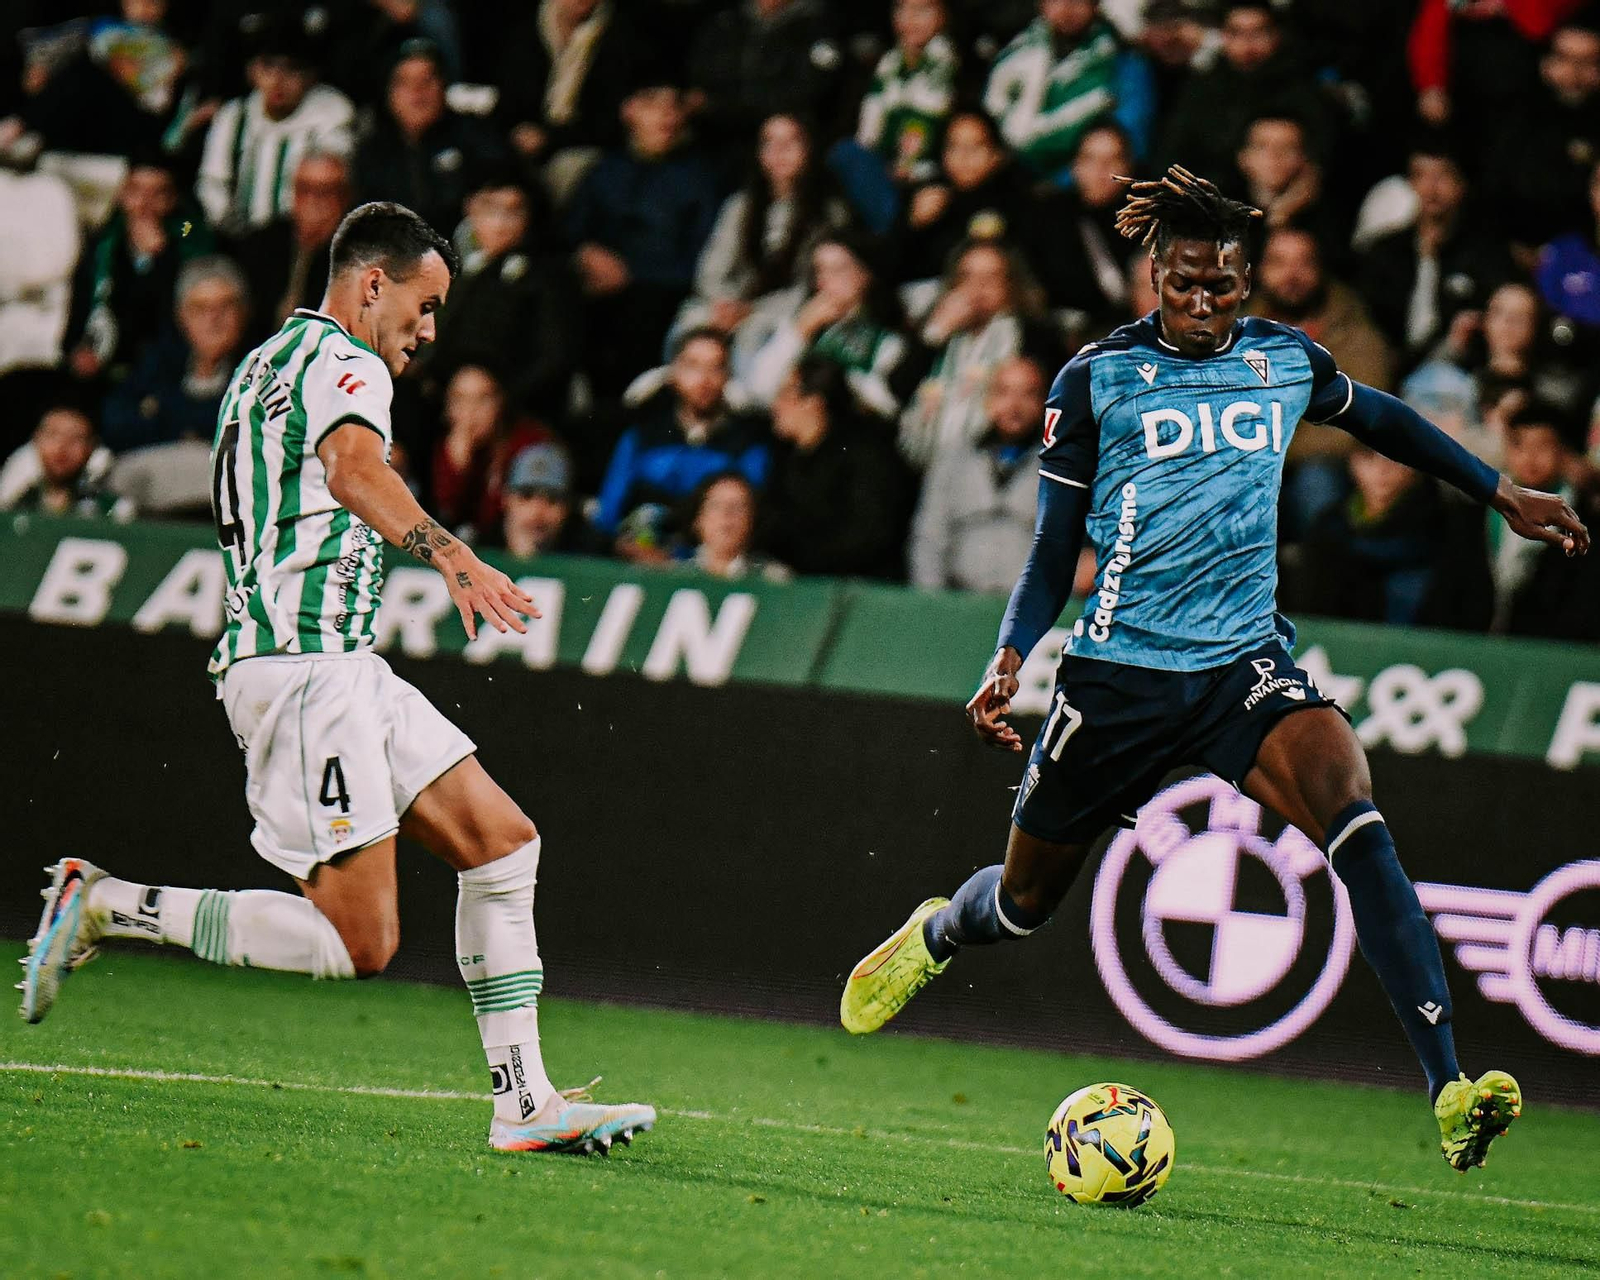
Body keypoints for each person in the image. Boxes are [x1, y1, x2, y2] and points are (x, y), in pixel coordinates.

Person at [841, 165, 1590, 1174]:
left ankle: (1449, 1087)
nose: (1202, 302)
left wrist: (1499, 490)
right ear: (1154, 276)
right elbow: (1054, 542)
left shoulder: (1284, 360)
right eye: (1184, 283)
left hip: (1244, 667)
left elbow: (1383, 419)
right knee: (1021, 905)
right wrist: (1011, 651)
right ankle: (939, 932)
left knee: (1356, 818)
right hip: (1119, 676)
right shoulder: (1095, 379)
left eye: (1222, 285)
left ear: (1247, 281)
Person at [21, 201, 655, 1155]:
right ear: (372, 283)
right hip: (305, 670)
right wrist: (452, 554)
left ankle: (525, 1104)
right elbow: (355, 469)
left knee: (501, 845)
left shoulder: (267, 362)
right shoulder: (347, 362)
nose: (428, 331)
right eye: (424, 305)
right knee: (359, 943)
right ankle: (109, 905)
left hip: (336, 664)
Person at [564, 71, 721, 399]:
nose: (666, 115)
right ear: (630, 111)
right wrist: (584, 252)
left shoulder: (702, 178)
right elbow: (569, 231)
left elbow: (702, 260)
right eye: (653, 105)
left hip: (658, 293)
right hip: (594, 288)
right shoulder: (605, 169)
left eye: (674, 105)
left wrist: (631, 274)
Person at [1425, 401, 1600, 640]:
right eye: (1519, 444)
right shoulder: (1472, 517)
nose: (1530, 457)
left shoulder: (1587, 525)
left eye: (1542, 446)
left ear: (1562, 452)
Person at [592, 327, 771, 553]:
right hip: (637, 560)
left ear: (728, 376)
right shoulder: (642, 436)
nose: (704, 380)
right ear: (674, 372)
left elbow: (747, 523)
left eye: (715, 368)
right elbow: (607, 515)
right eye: (693, 366)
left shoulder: (747, 445)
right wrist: (627, 548)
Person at [684, 113, 853, 339]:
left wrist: (751, 311)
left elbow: (811, 286)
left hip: (785, 314)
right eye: (769, 143)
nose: (779, 152)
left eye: (791, 142)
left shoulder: (831, 214)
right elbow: (712, 269)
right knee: (688, 326)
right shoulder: (741, 205)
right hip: (729, 304)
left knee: (755, 336)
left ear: (810, 148)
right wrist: (726, 303)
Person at [898, 237, 1059, 466]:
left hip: (1004, 461)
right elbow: (898, 388)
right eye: (968, 277)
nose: (978, 287)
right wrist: (935, 333)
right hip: (930, 464)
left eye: (991, 278)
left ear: (1010, 285)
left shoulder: (1035, 336)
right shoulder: (934, 332)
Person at [1358, 137, 1510, 367]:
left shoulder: (1485, 255)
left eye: (1442, 176)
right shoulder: (1384, 253)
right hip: (1389, 369)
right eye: (1420, 176)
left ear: (1462, 185)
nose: (1431, 189)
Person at [65, 153, 214, 384]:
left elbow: (170, 321)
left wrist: (162, 258)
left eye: (157, 194)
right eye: (136, 191)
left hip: (161, 370)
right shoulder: (105, 243)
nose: (144, 204)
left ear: (173, 199)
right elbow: (80, 308)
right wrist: (77, 350)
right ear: (123, 195)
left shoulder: (189, 237)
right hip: (99, 365)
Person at [195, 22, 354, 235]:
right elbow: (213, 183)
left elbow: (325, 192)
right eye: (268, 67)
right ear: (252, 71)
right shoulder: (234, 116)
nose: (278, 80)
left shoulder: (333, 114)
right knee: (190, 232)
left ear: (311, 76)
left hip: (302, 238)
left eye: (291, 69)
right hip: (238, 237)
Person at [909, 355, 1050, 592]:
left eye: (1028, 394)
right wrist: (933, 602)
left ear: (1043, 403)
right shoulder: (952, 461)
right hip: (960, 600)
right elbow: (928, 540)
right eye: (1004, 392)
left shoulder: (1063, 469)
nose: (1015, 406)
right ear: (988, 399)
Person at [765, 355, 912, 578]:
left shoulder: (866, 454)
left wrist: (799, 558)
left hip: (857, 584)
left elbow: (867, 535)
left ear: (814, 402)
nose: (775, 406)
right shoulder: (785, 455)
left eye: (784, 395)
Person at [1156, 1, 1330, 185]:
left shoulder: (1304, 92)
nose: (1247, 44)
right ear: (1224, 36)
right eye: (1237, 33)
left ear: (1275, 36)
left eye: (1258, 33)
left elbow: (1320, 160)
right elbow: (1172, 155)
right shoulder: (1199, 90)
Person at [983, 0, 1154, 185]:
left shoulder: (1121, 61)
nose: (1067, 8)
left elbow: (1127, 144)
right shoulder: (1014, 55)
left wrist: (1060, 183)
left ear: (1095, 5)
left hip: (1090, 186)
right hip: (1011, 182)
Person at [743, 232, 909, 417]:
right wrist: (801, 330)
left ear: (865, 273)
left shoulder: (888, 335)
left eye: (837, 270)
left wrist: (845, 376)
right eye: (820, 270)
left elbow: (890, 405)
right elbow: (758, 388)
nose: (823, 280)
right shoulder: (806, 322)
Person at [353, 39, 508, 237]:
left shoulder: (477, 138)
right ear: (389, 93)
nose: (417, 91)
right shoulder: (372, 153)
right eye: (405, 82)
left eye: (427, 80)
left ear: (443, 86)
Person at [102, 256, 250, 455]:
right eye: (200, 308)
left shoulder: (264, 370)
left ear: (243, 312)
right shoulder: (158, 365)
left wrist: (163, 418)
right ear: (181, 316)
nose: (214, 319)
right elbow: (116, 425)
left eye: (225, 306)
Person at [233, 151, 353, 343]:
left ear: (344, 197)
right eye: (305, 190)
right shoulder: (261, 244)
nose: (314, 201)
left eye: (326, 191)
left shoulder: (355, 255)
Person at [431, 364, 552, 542]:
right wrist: (456, 467)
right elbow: (448, 515)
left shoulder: (530, 443)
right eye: (460, 400)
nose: (471, 411)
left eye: (483, 400)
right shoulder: (447, 447)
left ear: (500, 402)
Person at [855, 0, 961, 187]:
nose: (910, 19)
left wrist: (903, 165)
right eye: (902, 9)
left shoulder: (944, 59)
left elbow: (923, 121)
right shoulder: (891, 60)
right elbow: (870, 121)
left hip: (926, 171)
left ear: (942, 15)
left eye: (922, 10)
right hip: (883, 164)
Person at [0, 403, 128, 518]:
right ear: (36, 439)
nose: (62, 447)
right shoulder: (16, 496)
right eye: (53, 435)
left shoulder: (108, 506)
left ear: (91, 448)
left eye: (76, 438)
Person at [678, 470, 791, 581]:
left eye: (738, 507)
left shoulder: (774, 579)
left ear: (752, 520)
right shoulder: (676, 575)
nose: (726, 513)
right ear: (697, 519)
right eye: (716, 505)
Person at [498, 441, 595, 558]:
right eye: (526, 496)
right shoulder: (481, 549)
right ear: (505, 500)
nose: (537, 512)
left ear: (567, 508)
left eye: (552, 499)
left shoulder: (586, 556)